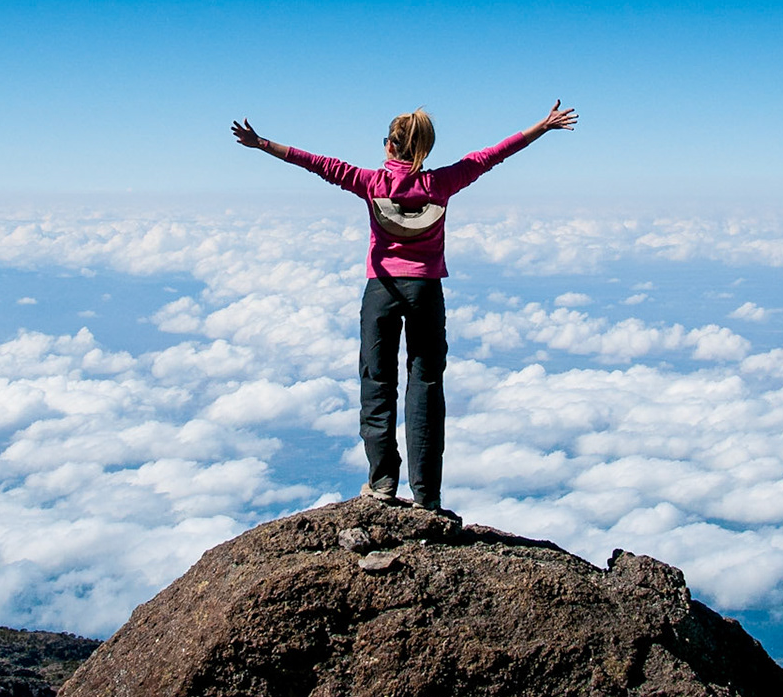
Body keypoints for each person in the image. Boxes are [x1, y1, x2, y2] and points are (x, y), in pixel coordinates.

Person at [230, 102, 579, 511]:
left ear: (392, 146)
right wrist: (542, 125)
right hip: (426, 291)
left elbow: (316, 163)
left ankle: (382, 483)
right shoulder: (443, 183)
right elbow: (494, 154)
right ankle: (426, 495)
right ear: (423, 150)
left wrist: (261, 144)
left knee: (377, 384)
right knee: (426, 387)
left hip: (381, 290)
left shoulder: (370, 181)